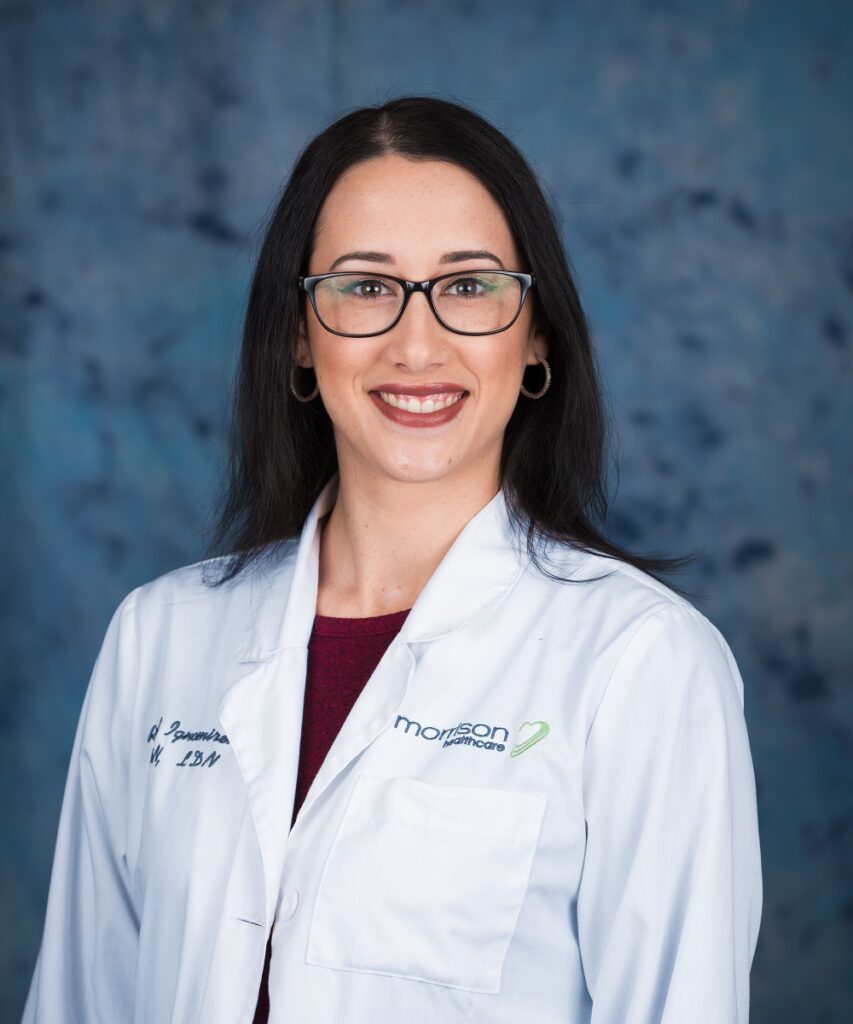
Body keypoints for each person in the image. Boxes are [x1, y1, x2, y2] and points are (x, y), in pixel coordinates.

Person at [22, 95, 762, 1023]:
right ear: (298, 333)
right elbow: (81, 1002)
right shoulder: (158, 639)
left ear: (535, 337)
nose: (418, 344)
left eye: (469, 285)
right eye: (365, 286)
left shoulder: (641, 663)